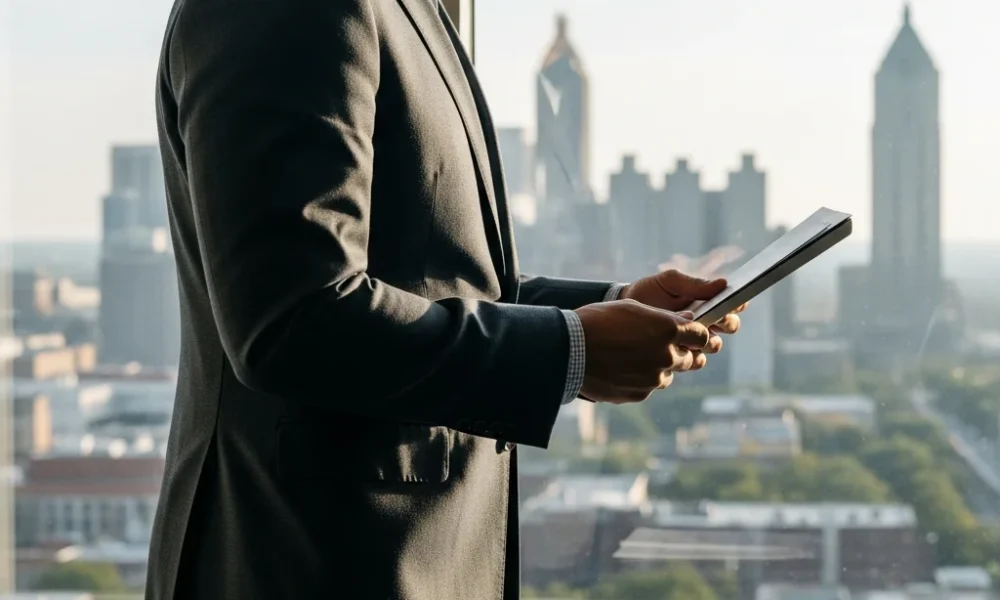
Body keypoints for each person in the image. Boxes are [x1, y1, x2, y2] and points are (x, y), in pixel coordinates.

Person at [145, 1, 744, 599]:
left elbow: (430, 271)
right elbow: (294, 319)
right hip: (311, 560)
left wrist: (607, 310)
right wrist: (573, 349)